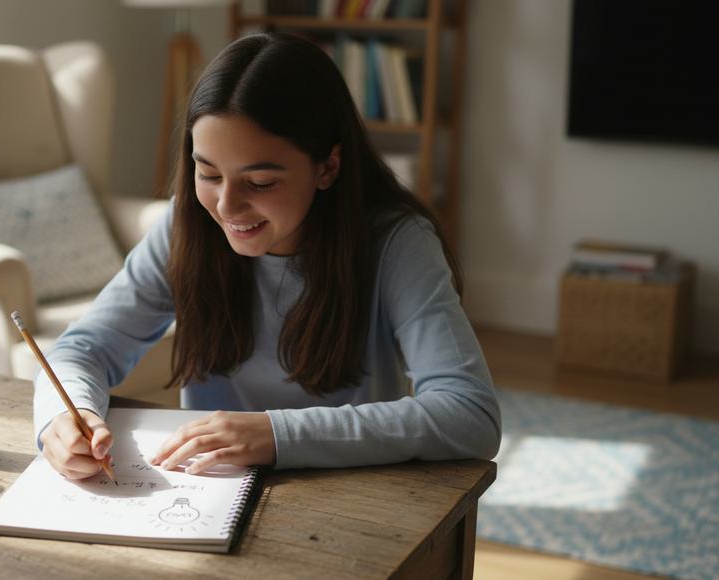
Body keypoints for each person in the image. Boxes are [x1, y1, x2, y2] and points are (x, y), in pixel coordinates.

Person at [34, 32, 501, 479]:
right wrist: (65, 416)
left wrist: (277, 435)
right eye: (209, 173)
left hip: (353, 493)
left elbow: (470, 413)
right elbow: (83, 350)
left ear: (327, 167)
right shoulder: (187, 225)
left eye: (260, 183)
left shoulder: (398, 241)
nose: (227, 206)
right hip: (210, 490)